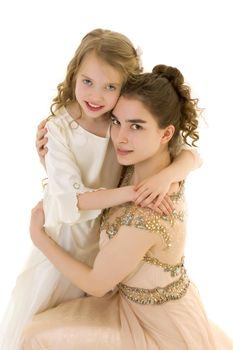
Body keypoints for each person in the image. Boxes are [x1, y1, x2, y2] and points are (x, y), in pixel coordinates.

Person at [0, 28, 200, 350]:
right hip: (71, 238)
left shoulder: (117, 124)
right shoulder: (68, 128)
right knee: (45, 316)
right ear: (73, 74)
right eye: (87, 82)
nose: (96, 96)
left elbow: (190, 154)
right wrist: (132, 192)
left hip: (105, 249)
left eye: (110, 87)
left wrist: (167, 176)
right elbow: (72, 196)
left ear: (123, 90)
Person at [22, 65, 233, 349]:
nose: (119, 137)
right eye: (116, 121)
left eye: (136, 126)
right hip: (129, 302)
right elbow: (191, 155)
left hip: (156, 329)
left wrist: (39, 239)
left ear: (166, 133)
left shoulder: (148, 212)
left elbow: (96, 285)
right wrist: (51, 158)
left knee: (35, 334)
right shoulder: (142, 167)